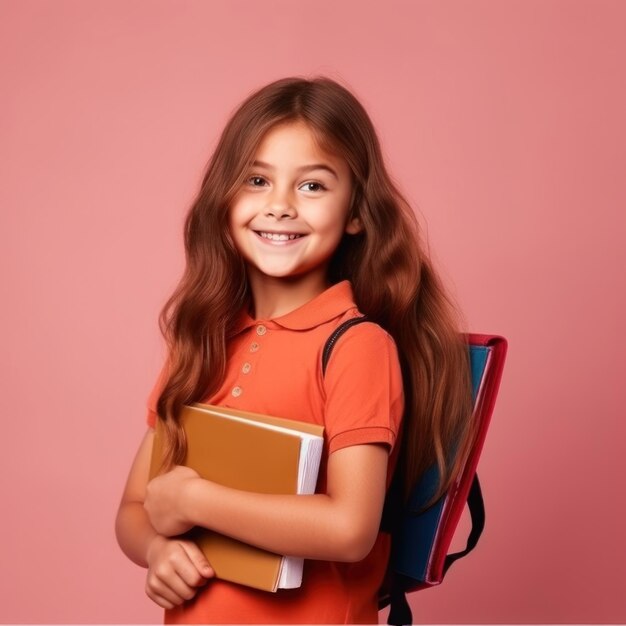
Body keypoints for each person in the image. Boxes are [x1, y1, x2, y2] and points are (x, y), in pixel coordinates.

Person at [115, 76, 474, 624]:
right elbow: (135, 510)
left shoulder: (357, 347)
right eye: (257, 180)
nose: (279, 206)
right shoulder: (203, 337)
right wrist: (157, 550)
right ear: (225, 197)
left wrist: (195, 503)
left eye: (312, 186)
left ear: (356, 212)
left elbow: (349, 529)